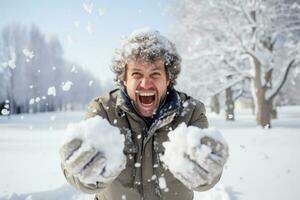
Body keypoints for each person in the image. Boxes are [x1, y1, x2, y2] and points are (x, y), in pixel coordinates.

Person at [59, 28, 229, 200]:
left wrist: (208, 172)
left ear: (168, 78)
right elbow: (77, 175)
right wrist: (85, 174)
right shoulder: (103, 110)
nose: (146, 83)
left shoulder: (191, 111)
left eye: (155, 74)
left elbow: (205, 177)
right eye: (137, 74)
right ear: (124, 79)